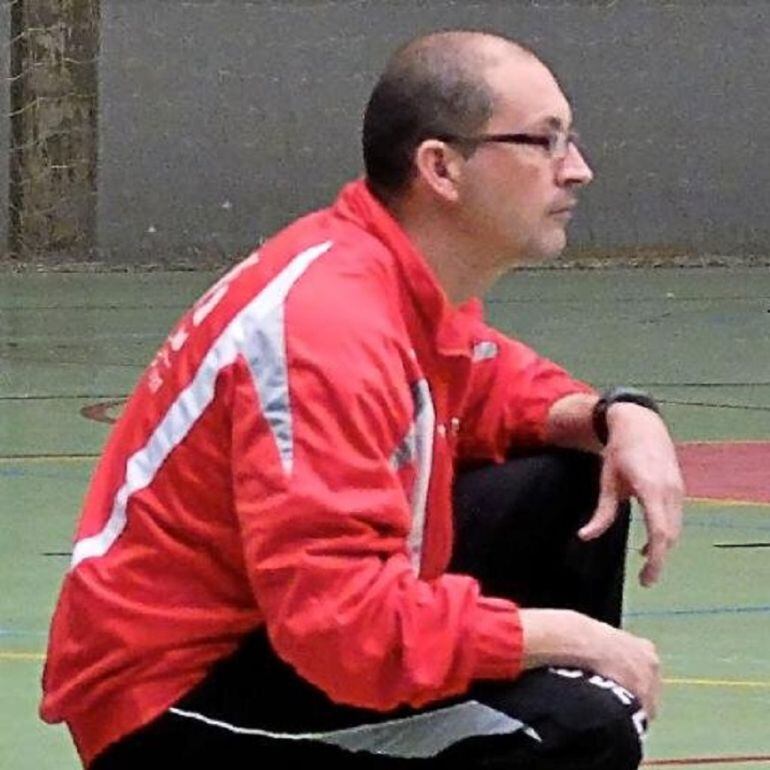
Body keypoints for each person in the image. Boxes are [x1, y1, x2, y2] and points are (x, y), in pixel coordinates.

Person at [41, 30, 684, 770]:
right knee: (583, 727)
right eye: (544, 142)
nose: (577, 170)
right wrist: (572, 637)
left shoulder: (392, 279)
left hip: (283, 636)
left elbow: (488, 381)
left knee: (569, 478)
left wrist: (618, 415)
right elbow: (341, 630)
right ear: (440, 168)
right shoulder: (328, 324)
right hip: (170, 704)